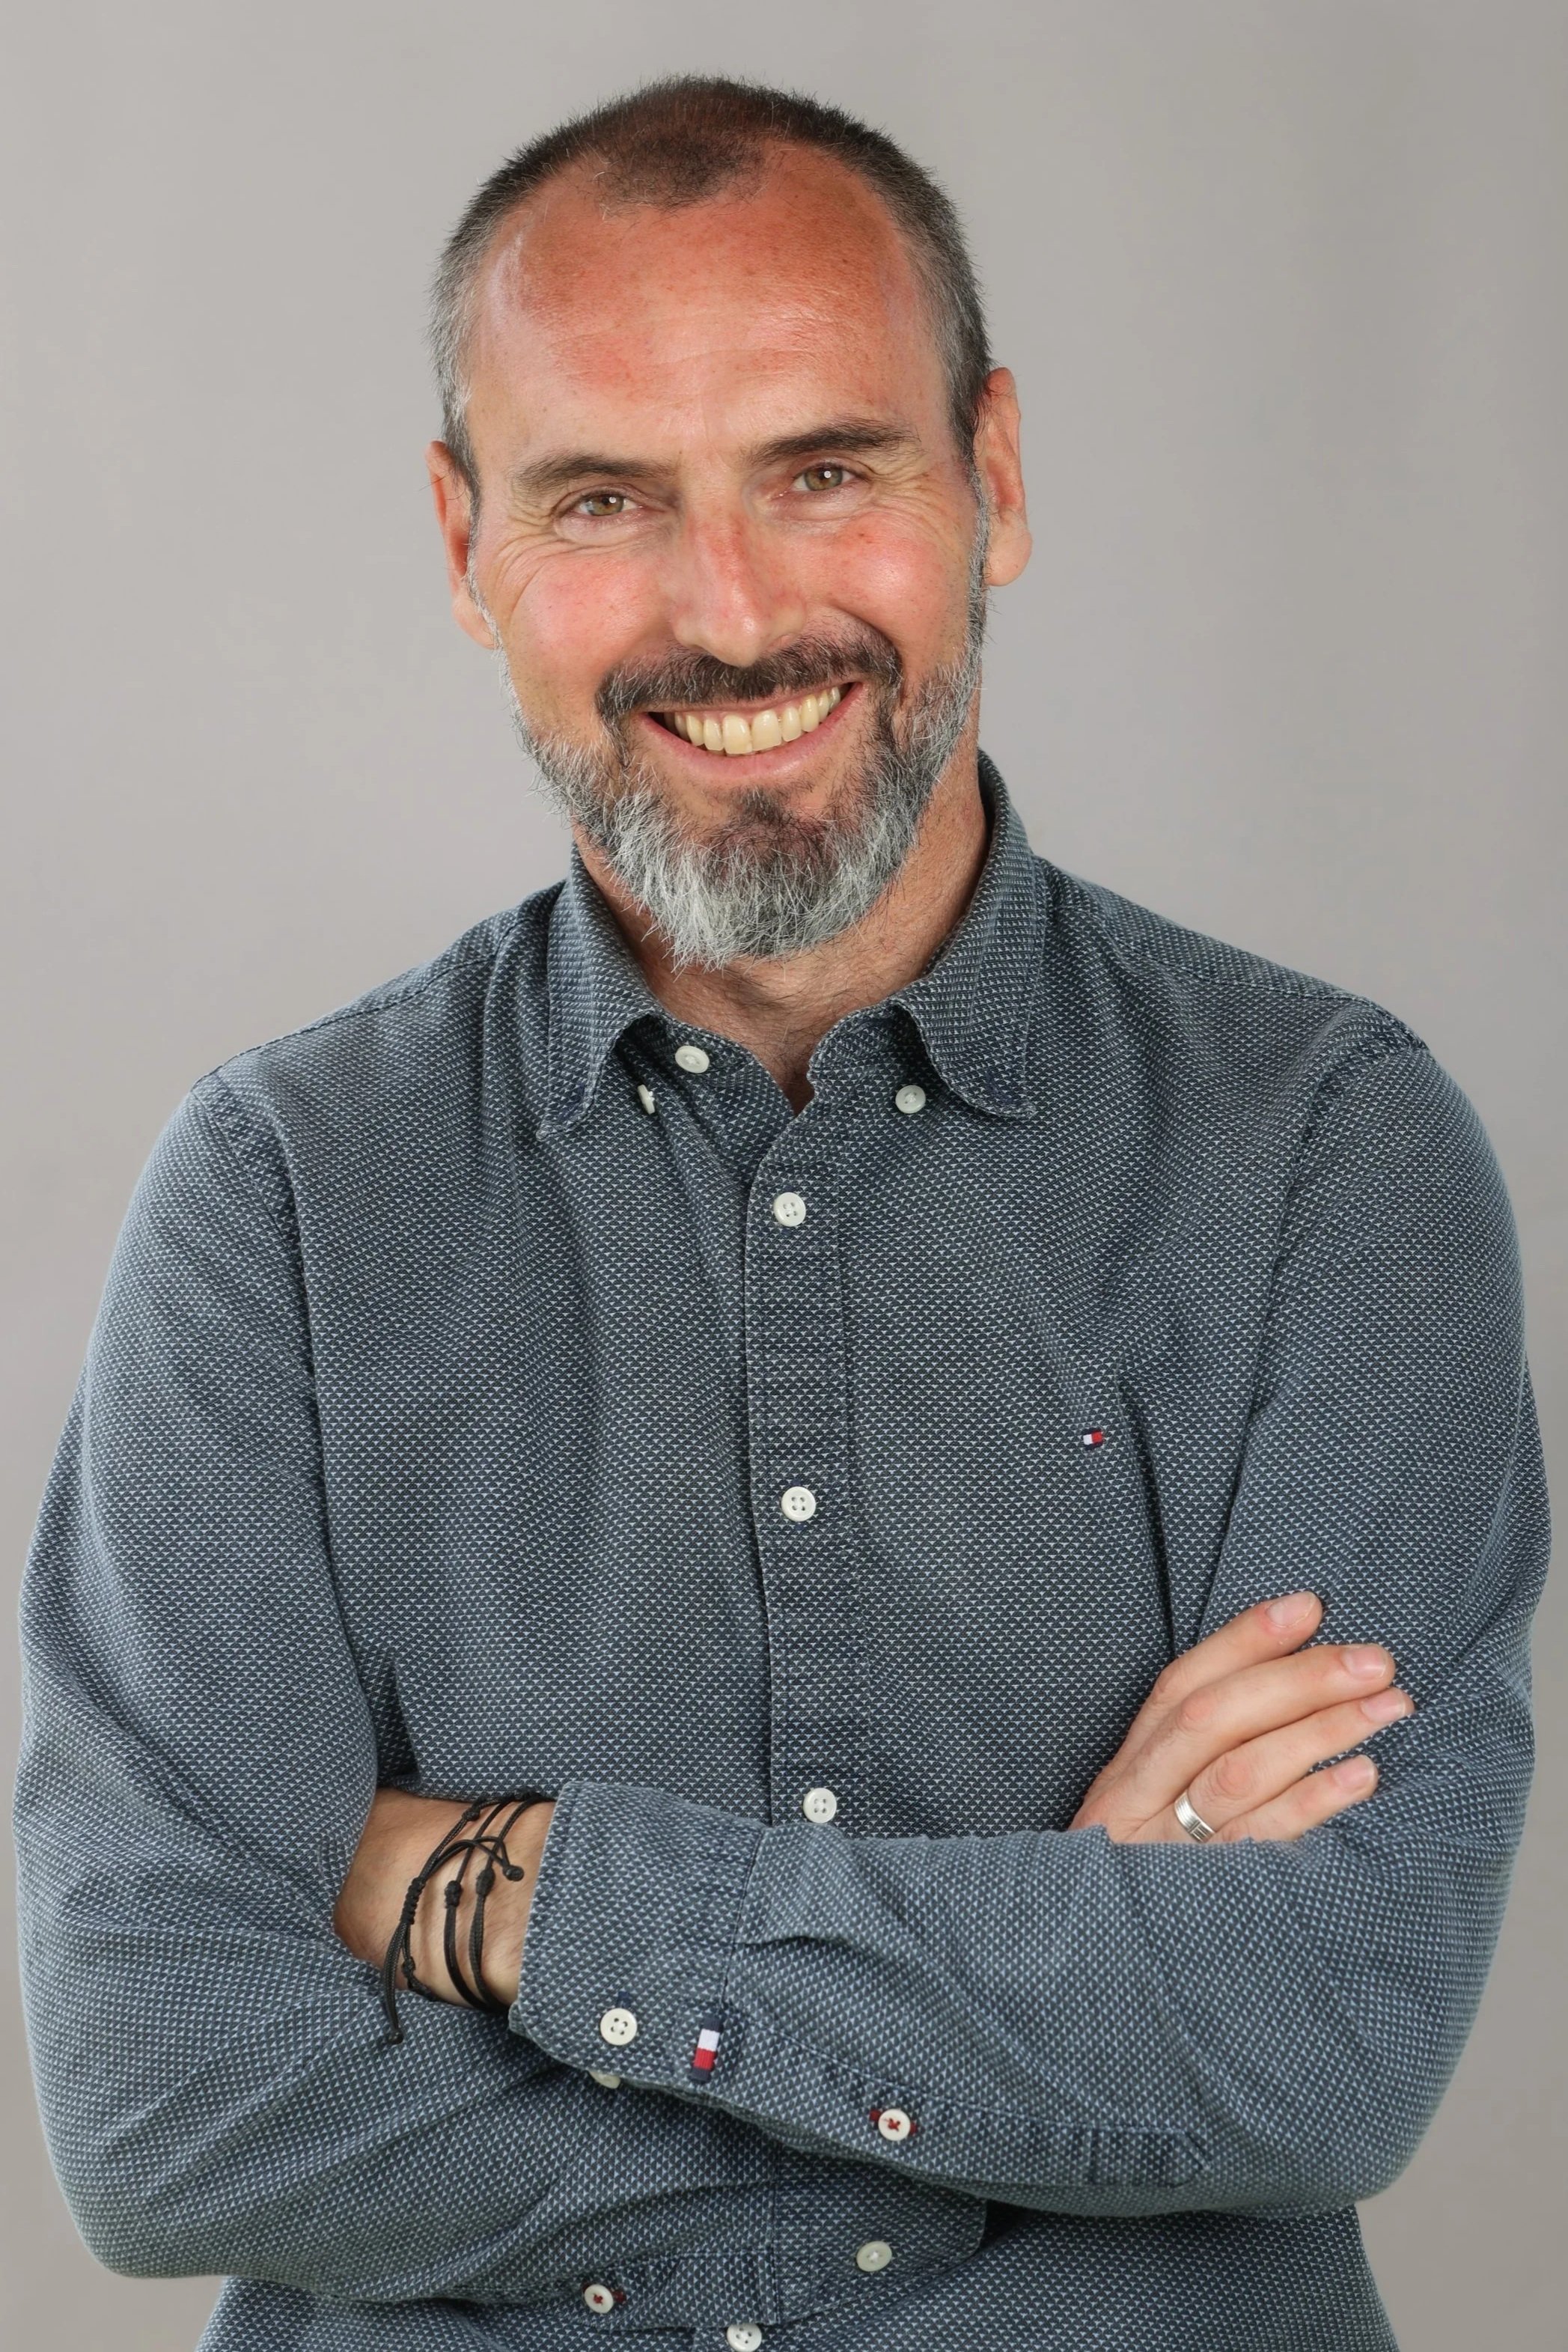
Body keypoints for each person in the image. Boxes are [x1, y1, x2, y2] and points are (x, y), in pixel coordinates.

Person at [14, 76, 1549, 2352]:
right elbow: (168, 2107)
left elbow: (1318, 2045)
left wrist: (509, 1896)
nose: (730, 617)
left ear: (993, 478)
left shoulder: (1328, 1150)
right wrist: (1053, 2027)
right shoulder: (280, 1199)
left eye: (826, 473)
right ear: (463, 546)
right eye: (604, 500)